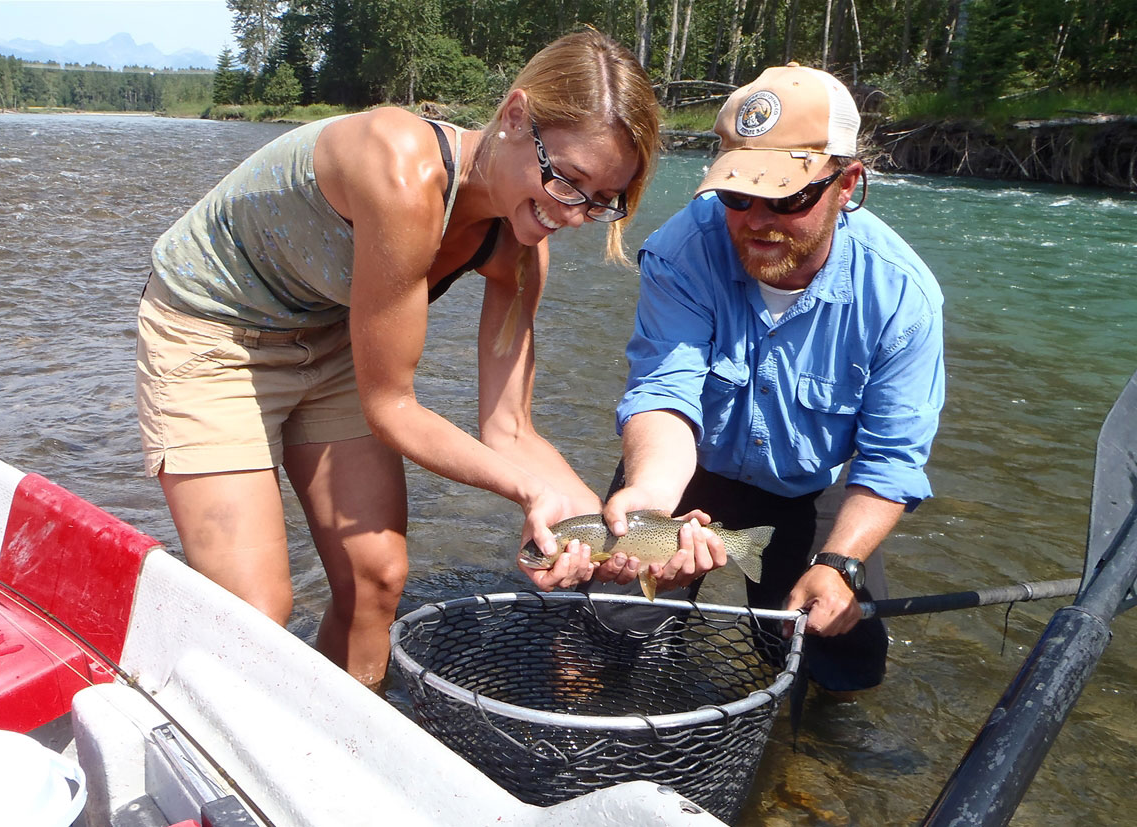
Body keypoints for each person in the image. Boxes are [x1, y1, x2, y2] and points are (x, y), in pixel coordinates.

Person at [135, 30, 661, 688]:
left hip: (332, 329)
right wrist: (528, 492)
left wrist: (614, 530)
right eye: (567, 180)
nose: (574, 213)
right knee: (256, 611)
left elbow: (512, 430)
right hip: (211, 326)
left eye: (600, 200)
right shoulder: (401, 167)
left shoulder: (521, 244)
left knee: (377, 578)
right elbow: (392, 406)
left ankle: (333, 747)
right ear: (517, 117)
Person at [585, 63, 945, 695]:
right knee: (604, 628)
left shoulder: (901, 297)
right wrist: (649, 502)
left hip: (811, 486)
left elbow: (891, 461)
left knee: (839, 665)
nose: (756, 219)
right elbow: (664, 392)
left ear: (846, 184)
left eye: (787, 197)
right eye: (736, 195)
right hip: (688, 462)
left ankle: (805, 772)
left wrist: (837, 563)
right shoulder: (682, 252)